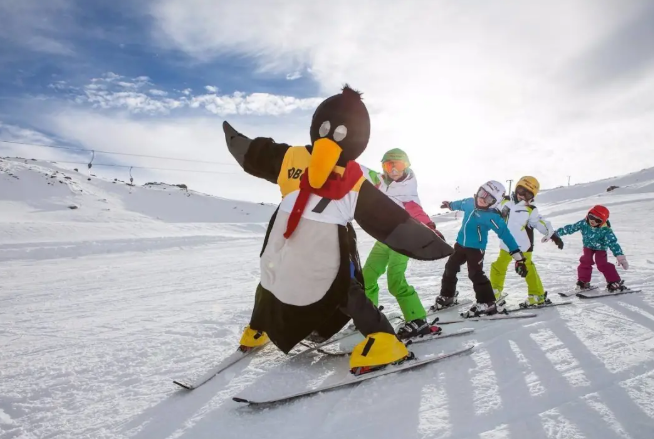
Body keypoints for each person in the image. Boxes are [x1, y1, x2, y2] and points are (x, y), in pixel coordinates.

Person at [221, 85, 453, 375]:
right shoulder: (291, 157)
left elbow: (387, 217)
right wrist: (240, 144)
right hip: (288, 241)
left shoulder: (353, 175)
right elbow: (257, 155)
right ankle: (259, 327)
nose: (330, 138)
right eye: (326, 128)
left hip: (328, 246)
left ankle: (383, 340)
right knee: (270, 281)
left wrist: (426, 240)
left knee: (344, 291)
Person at [360, 149, 446, 340]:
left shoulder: (408, 192)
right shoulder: (380, 182)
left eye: (397, 165)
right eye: (388, 165)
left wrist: (432, 228)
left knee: (395, 281)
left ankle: (418, 320)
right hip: (383, 239)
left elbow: (418, 213)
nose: (393, 169)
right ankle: (368, 314)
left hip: (402, 241)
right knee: (366, 278)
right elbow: (361, 171)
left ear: (406, 166)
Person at [432, 180, 528, 317]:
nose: (482, 199)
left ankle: (487, 302)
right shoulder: (470, 202)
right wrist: (450, 205)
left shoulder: (492, 216)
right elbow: (460, 204)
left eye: (489, 198)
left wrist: (518, 257)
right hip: (460, 245)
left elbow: (506, 235)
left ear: (494, 202)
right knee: (450, 268)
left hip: (476, 249)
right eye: (482, 193)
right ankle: (448, 296)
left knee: (475, 274)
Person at [489, 176, 565, 307]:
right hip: (506, 245)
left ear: (532, 196)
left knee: (528, 269)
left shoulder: (530, 209)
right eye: (520, 190)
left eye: (528, 193)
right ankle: (494, 292)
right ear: (516, 188)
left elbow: (539, 222)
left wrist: (552, 235)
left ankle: (537, 295)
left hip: (523, 246)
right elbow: (491, 209)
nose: (522, 195)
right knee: (498, 267)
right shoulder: (504, 202)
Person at [552, 205, 629, 292]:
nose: (593, 221)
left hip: (601, 248)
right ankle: (583, 282)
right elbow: (571, 228)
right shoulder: (584, 223)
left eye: (597, 220)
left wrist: (620, 256)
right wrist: (555, 234)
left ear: (602, 221)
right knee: (585, 261)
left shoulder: (605, 230)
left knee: (601, 264)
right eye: (591, 217)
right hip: (588, 246)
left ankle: (614, 282)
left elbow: (613, 243)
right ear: (588, 215)